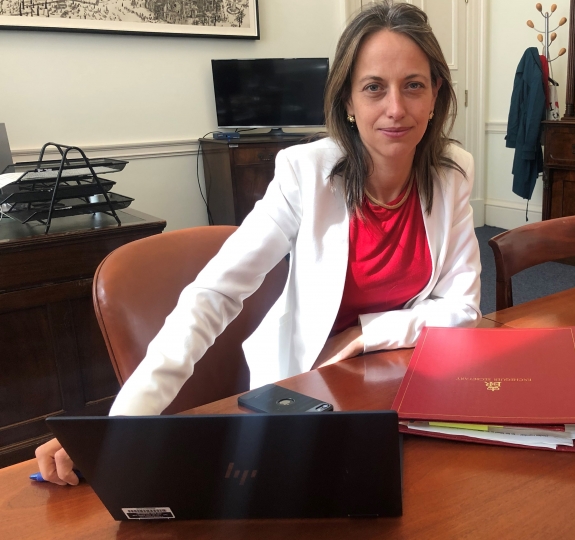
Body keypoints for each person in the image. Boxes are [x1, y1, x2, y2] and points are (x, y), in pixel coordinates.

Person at [35, 0, 481, 486]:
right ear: (348, 103)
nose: (396, 108)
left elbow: (462, 309)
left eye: (413, 85)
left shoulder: (452, 172)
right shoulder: (305, 172)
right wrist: (121, 426)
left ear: (436, 93)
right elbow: (216, 293)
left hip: (403, 375)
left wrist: (364, 334)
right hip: (308, 386)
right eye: (374, 87)